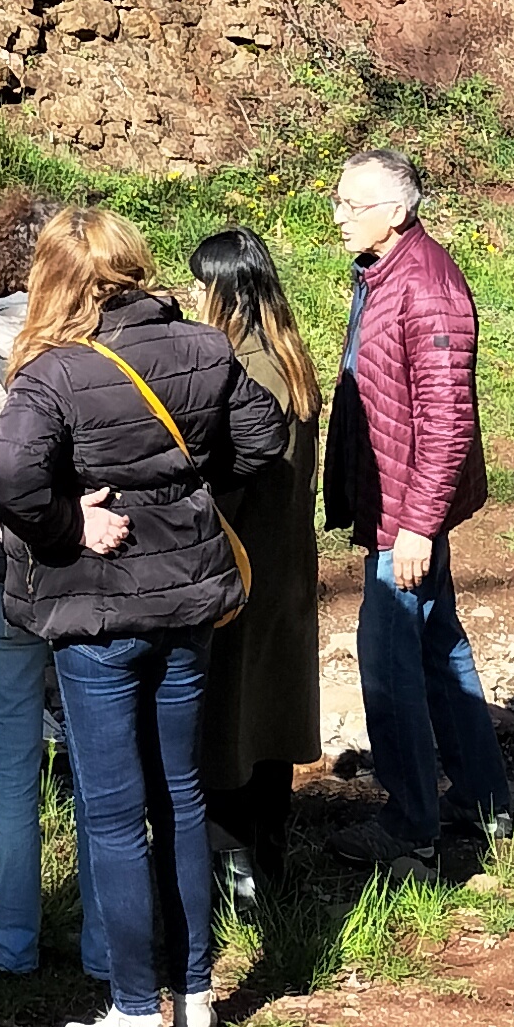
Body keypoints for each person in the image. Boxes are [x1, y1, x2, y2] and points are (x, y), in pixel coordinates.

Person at [0, 207, 285, 1027]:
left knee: (113, 813)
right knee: (182, 796)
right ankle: (193, 997)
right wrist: (185, 498)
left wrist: (68, 526)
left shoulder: (50, 372)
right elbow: (261, 439)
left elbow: (8, 476)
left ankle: (131, 1011)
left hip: (97, 613)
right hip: (187, 607)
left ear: (55, 279)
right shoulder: (201, 347)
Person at [329, 148, 510, 870]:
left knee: (390, 661)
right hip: (394, 500)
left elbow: (447, 420)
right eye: (338, 201)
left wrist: (417, 525)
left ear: (396, 212)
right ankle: (484, 800)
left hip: (405, 512)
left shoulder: (427, 288)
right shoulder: (386, 271)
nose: (338, 216)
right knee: (437, 646)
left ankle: (413, 828)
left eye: (352, 204)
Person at [0, 185, 100, 980]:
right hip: (84, 560)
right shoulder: (89, 338)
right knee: (102, 746)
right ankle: (108, 944)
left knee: (10, 752)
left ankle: (12, 942)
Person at [188, 227, 322, 917]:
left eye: (197, 284)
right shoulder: (291, 359)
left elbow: (223, 483)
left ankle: (233, 877)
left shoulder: (241, 374)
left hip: (241, 572)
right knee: (271, 719)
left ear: (223, 294)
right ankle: (270, 862)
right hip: (288, 568)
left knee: (227, 725)